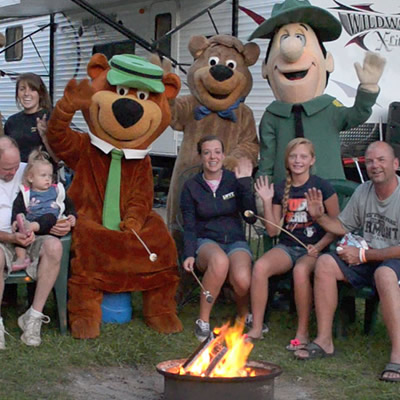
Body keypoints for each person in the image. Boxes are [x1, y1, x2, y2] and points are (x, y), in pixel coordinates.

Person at [294, 141, 400, 383]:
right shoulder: (364, 191)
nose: (375, 166)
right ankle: (324, 341)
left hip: (393, 260)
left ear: (395, 164)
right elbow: (341, 226)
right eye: (370, 161)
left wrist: (363, 255)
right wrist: (319, 216)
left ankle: (398, 355)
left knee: (384, 275)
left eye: (381, 160)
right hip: (368, 256)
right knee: (325, 264)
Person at [247, 138, 339, 342]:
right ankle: (257, 326)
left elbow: (338, 226)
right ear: (287, 160)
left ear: (312, 160)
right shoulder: (280, 189)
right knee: (261, 266)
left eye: (303, 156)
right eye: (293, 156)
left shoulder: (321, 186)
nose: (298, 160)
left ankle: (303, 331)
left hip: (314, 249)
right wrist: (266, 200)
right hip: (288, 247)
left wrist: (319, 246)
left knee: (300, 271)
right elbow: (272, 231)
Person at [180, 135, 257, 341]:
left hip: (235, 240)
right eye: (207, 152)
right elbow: (189, 224)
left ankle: (244, 315)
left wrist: (245, 185)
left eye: (216, 152)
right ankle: (203, 321)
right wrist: (188, 254)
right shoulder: (191, 186)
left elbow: (250, 218)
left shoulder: (233, 180)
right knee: (219, 261)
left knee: (242, 279)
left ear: (223, 155)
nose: (212, 157)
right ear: (200, 157)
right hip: (206, 241)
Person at [0, 136, 71, 349]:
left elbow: (59, 200)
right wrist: (12, 238)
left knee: (54, 246)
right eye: (6, 169)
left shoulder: (28, 170)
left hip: (33, 235)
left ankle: (33, 317)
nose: (13, 173)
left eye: (15, 167)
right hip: (3, 238)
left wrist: (66, 222)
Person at [11, 148, 76, 271]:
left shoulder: (57, 191)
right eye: (43, 176)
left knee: (50, 216)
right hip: (29, 230)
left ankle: (29, 227)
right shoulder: (26, 193)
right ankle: (20, 259)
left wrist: (72, 215)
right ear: (30, 178)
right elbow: (17, 209)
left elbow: (69, 205)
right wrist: (15, 221)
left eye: (50, 176)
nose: (48, 179)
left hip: (49, 227)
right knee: (20, 235)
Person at [4, 73, 58, 163]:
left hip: (44, 175)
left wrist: (45, 136)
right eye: (22, 89)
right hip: (17, 175)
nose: (26, 94)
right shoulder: (11, 122)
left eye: (32, 89)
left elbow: (59, 159)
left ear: (40, 93)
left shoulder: (51, 117)